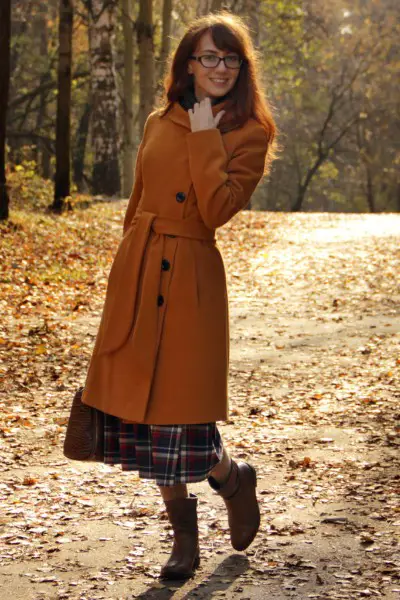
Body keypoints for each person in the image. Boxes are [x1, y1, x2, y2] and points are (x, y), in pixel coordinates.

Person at [81, 10, 277, 580]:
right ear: (187, 65)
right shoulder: (158, 119)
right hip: (140, 271)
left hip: (191, 276)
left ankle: (231, 480)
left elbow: (217, 209)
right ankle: (191, 528)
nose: (220, 68)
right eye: (209, 57)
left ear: (242, 68)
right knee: (147, 421)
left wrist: (203, 135)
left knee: (179, 416)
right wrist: (123, 272)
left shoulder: (250, 132)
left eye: (230, 58)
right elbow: (138, 201)